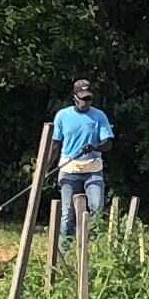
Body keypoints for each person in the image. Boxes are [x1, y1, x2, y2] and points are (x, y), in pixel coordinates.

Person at [50, 78, 113, 247]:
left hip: (93, 169)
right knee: (67, 212)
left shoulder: (99, 116)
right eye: (83, 98)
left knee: (96, 208)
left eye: (88, 98)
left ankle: (92, 247)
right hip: (69, 169)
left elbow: (107, 143)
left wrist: (94, 147)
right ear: (74, 97)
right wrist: (46, 169)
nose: (86, 102)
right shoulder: (62, 116)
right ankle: (65, 248)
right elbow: (55, 145)